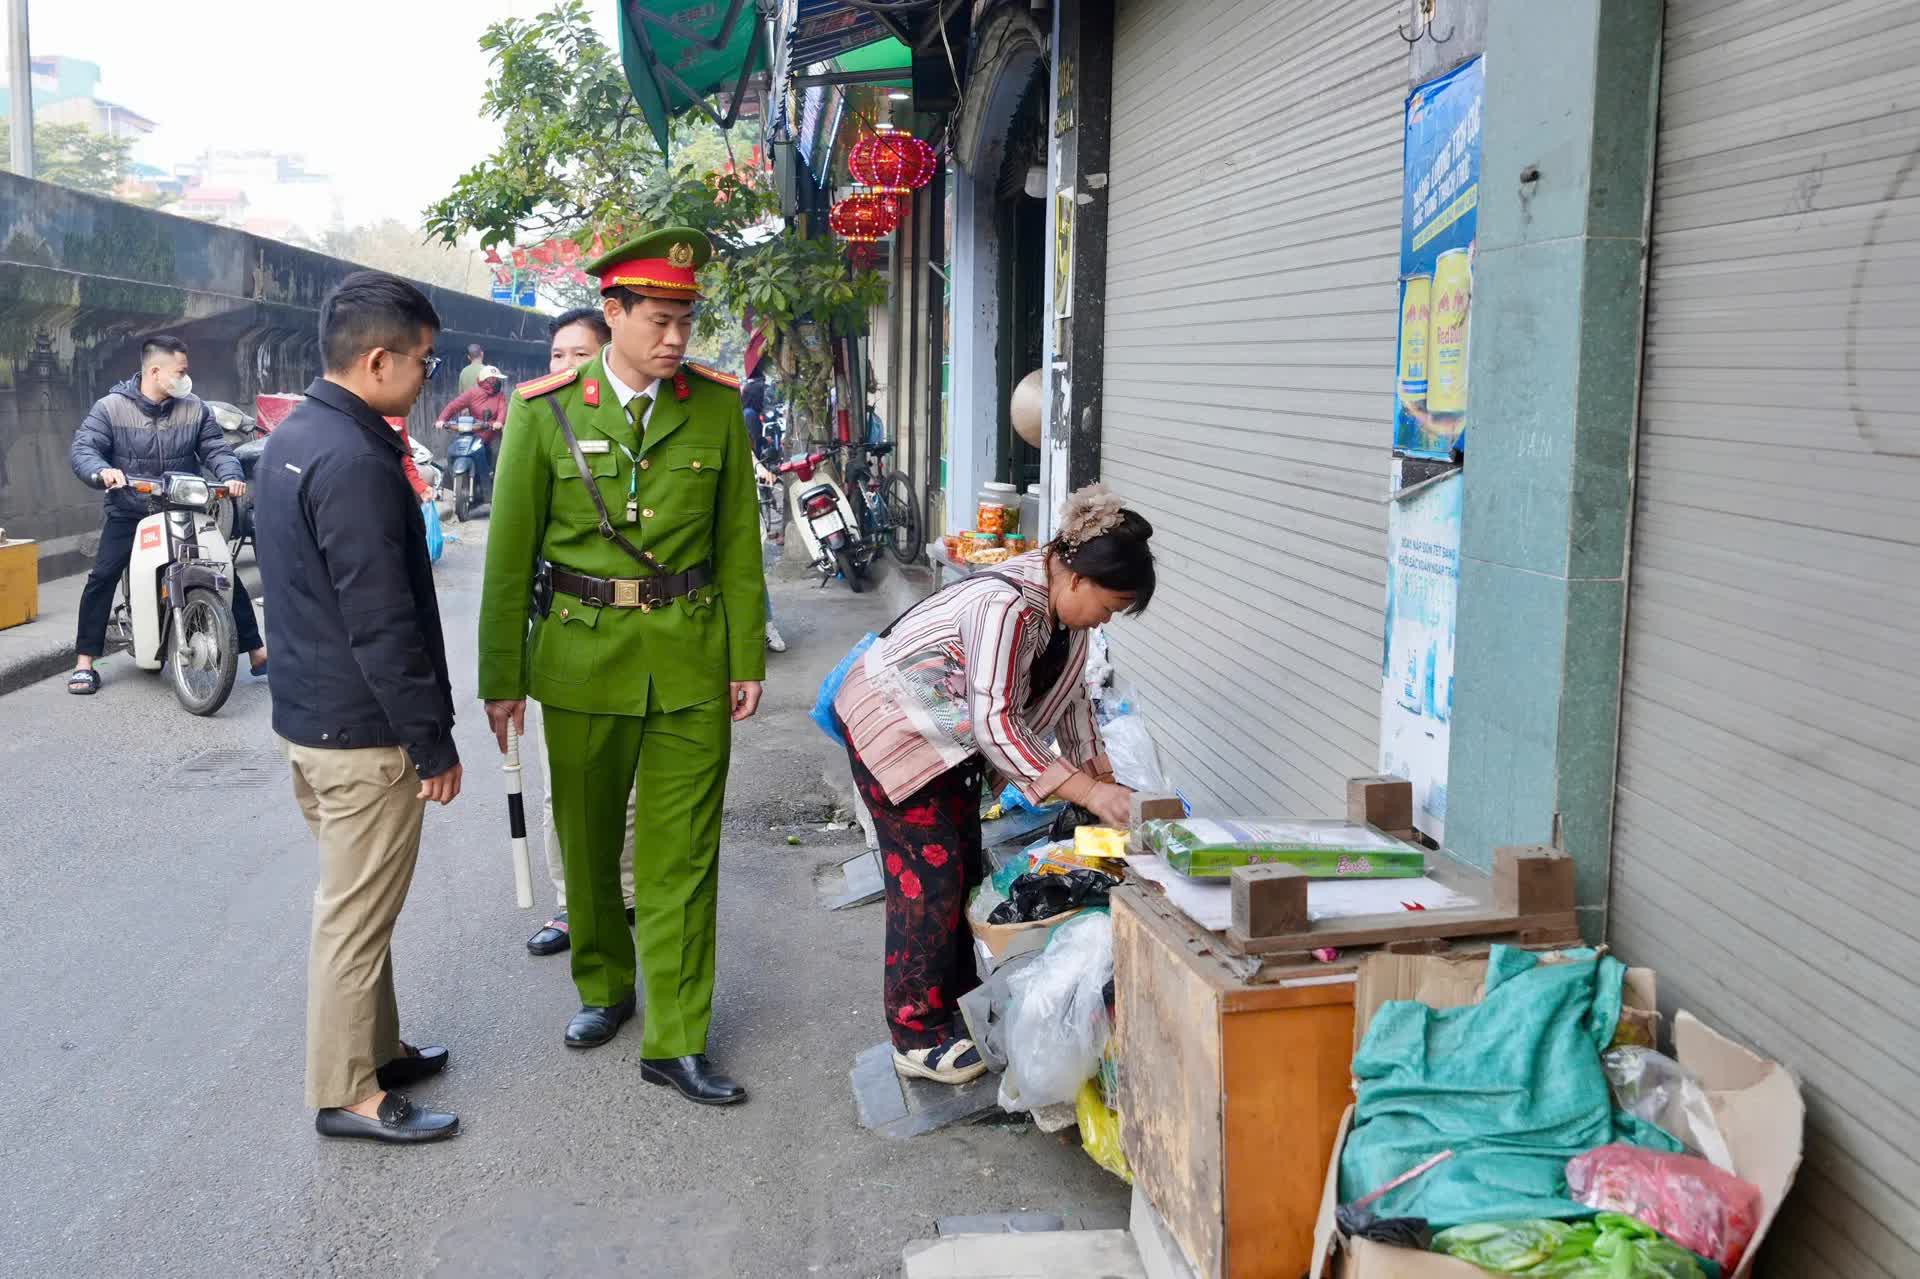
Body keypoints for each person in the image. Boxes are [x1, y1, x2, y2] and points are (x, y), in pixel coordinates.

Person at [478, 227, 766, 1106]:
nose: (677, 338)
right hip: (579, 655)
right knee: (593, 841)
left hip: (688, 652)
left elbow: (737, 542)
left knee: (684, 853)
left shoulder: (715, 406)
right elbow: (508, 553)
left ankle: (677, 1038)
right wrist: (503, 679)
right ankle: (603, 985)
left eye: (686, 319)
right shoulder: (544, 409)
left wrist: (745, 653)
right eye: (660, 319)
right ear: (613, 315)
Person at [831, 484, 1153, 1085]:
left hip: (949, 747)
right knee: (926, 881)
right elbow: (995, 721)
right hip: (897, 734)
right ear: (1078, 579)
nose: (1107, 619)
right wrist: (1085, 793)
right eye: (1110, 606)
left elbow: (1075, 706)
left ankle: (954, 1005)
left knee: (960, 872)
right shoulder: (1004, 604)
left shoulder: (1068, 622)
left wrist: (1107, 783)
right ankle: (915, 1032)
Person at [255, 271, 464, 1144]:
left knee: (360, 904)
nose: (427, 376)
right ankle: (347, 1092)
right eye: (422, 361)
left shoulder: (295, 436)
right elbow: (382, 623)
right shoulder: (352, 459)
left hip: (311, 720)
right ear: (376, 359)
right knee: (352, 917)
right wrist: (432, 744)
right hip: (362, 734)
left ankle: (375, 1047)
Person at [521, 306, 638, 959]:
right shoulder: (535, 428)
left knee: (632, 786)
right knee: (560, 782)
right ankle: (571, 904)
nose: (564, 368)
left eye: (578, 354)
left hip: (641, 637)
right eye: (556, 355)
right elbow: (511, 558)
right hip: (564, 634)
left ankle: (623, 898)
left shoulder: (641, 428)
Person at [66, 336, 269, 694]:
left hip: (183, 506)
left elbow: (215, 449)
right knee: (102, 577)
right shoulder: (111, 408)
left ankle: (257, 650)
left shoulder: (195, 408)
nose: (186, 377)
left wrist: (232, 475)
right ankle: (85, 661)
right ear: (155, 371)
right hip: (130, 509)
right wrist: (102, 472)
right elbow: (85, 449)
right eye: (181, 371)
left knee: (221, 567)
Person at [436, 364, 508, 453]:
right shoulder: (472, 393)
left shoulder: (500, 395)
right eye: (494, 379)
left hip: (493, 436)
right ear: (486, 380)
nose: (497, 381)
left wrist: (499, 422)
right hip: (475, 435)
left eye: (497, 379)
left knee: (496, 460)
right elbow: (453, 406)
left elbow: (502, 409)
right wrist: (442, 419)